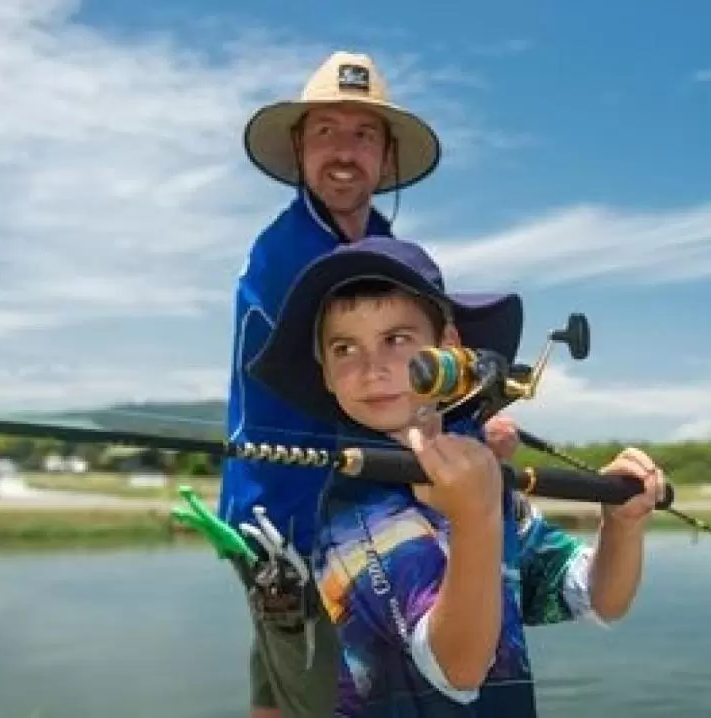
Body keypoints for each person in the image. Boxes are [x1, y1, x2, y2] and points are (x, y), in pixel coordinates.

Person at [221, 50, 523, 717]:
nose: (343, 151)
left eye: (363, 134)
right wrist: (459, 439)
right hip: (289, 518)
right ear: (299, 147)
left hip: (341, 507)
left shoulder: (378, 245)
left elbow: (418, 372)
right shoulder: (289, 257)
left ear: (386, 158)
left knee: (279, 686)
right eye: (325, 131)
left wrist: (473, 420)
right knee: (324, 693)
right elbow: (367, 391)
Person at [246, 236, 666, 715]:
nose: (371, 369)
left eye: (397, 339)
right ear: (324, 372)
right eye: (344, 348)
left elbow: (595, 597)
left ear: (449, 346)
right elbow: (457, 669)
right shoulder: (353, 514)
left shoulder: (479, 476)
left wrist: (623, 527)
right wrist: (476, 518)